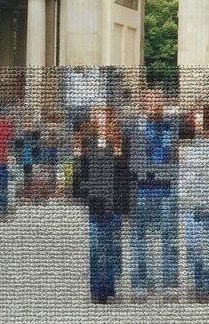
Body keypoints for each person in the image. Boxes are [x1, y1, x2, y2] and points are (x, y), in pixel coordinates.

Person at [127, 89, 181, 301]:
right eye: (148, 100)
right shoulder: (134, 125)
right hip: (141, 189)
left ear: (162, 102)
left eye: (156, 99)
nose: (152, 103)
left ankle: (169, 283)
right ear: (142, 103)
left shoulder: (171, 124)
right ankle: (140, 283)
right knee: (138, 239)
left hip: (167, 189)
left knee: (169, 238)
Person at [77, 107, 130, 304]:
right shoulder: (88, 144)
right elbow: (81, 174)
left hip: (114, 204)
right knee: (95, 247)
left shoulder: (119, 143)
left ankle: (108, 287)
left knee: (109, 247)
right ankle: (96, 289)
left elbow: (125, 177)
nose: (100, 119)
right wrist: (85, 195)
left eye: (104, 115)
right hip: (96, 204)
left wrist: (125, 208)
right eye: (97, 115)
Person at [179, 104, 209, 303]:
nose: (197, 120)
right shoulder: (184, 144)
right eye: (194, 117)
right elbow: (181, 175)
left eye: (200, 116)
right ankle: (199, 282)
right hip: (191, 202)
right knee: (193, 246)